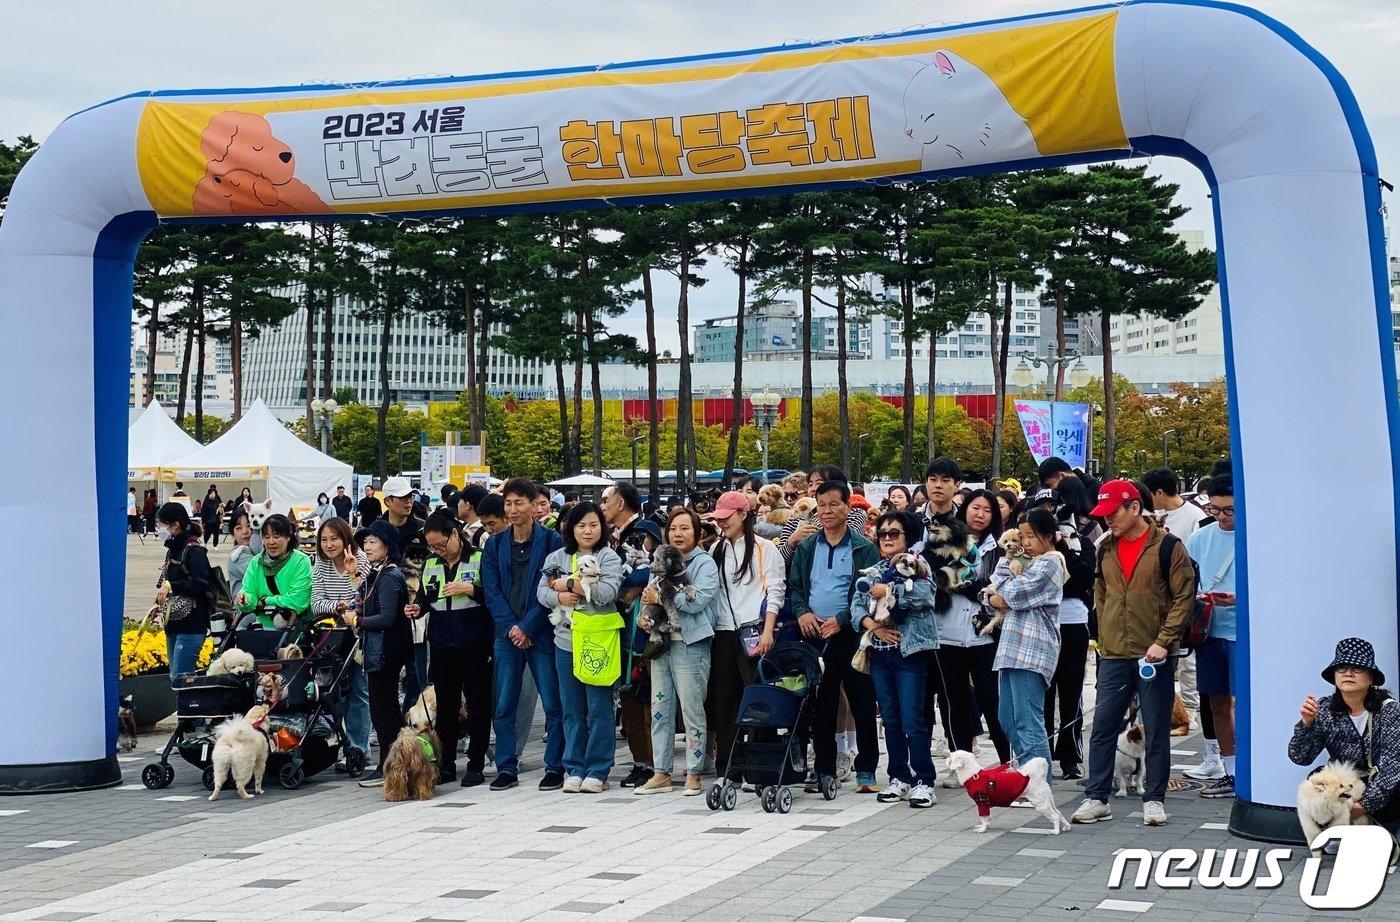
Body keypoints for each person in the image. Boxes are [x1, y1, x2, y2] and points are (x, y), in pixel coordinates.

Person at [1071, 480, 1197, 828]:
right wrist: (1101, 635)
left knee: (1156, 728)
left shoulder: (1169, 547)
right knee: (1102, 726)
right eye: (1104, 514)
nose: (1108, 519)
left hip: (1154, 653)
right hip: (1112, 651)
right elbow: (1101, 593)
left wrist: (1164, 640)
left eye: (1113, 513)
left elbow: (1183, 598)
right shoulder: (1104, 547)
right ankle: (1097, 796)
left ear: (1134, 508)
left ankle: (1154, 799)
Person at [786, 479, 882, 794]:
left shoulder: (863, 548)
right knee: (821, 703)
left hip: (850, 634)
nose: (827, 512)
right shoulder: (807, 546)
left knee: (861, 701)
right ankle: (823, 768)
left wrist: (842, 620)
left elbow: (867, 594)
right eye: (821, 505)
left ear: (846, 507)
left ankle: (866, 768)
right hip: (814, 634)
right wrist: (802, 613)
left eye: (833, 505)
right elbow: (796, 586)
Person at [482, 478, 566, 792]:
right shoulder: (494, 544)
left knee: (553, 702)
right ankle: (506, 765)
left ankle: (555, 766)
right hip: (506, 635)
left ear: (533, 504)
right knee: (504, 703)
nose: (513, 509)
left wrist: (528, 627)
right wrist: (511, 628)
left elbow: (552, 588)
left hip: (541, 632)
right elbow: (491, 592)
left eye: (519, 503)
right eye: (508, 503)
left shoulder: (552, 541)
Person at [853, 510, 939, 807]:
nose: (886, 538)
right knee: (889, 719)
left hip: (910, 652)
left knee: (913, 718)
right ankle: (898, 776)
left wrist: (889, 590)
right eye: (882, 534)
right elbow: (856, 607)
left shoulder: (918, 564)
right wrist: (875, 627)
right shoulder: (873, 568)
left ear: (908, 537)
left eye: (894, 533)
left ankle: (924, 780)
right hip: (879, 654)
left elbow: (926, 597)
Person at [538, 502, 624, 793]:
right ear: (570, 529)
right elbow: (541, 592)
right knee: (571, 708)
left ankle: (598, 769)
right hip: (565, 641)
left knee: (599, 707)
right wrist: (558, 598)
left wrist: (567, 583)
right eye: (581, 525)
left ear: (602, 526)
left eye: (593, 524)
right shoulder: (556, 556)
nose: (587, 531)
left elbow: (606, 592)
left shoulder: (609, 557)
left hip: (598, 641)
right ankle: (573, 767)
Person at [635, 508, 721, 795]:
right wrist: (646, 614)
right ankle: (661, 771)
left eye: (685, 528)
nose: (678, 534)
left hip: (691, 644)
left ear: (697, 533)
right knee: (660, 708)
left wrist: (661, 596)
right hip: (661, 643)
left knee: (692, 708)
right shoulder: (660, 559)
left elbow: (697, 602)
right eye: (673, 529)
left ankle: (694, 772)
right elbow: (649, 596)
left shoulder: (705, 564)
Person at [409, 512, 492, 786]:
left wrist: (471, 589)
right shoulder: (431, 563)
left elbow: (495, 596)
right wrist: (417, 608)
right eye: (432, 547)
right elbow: (424, 596)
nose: (437, 551)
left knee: (478, 706)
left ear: (454, 534)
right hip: (442, 644)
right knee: (446, 708)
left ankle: (476, 765)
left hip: (475, 643)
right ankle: (445, 767)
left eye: (441, 545)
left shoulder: (480, 557)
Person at [708, 490, 786, 779]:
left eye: (727, 517)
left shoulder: (766, 549)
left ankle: (759, 764)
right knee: (724, 702)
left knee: (757, 700)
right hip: (723, 633)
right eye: (719, 518)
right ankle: (728, 766)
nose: (722, 523)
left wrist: (768, 630)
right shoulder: (716, 549)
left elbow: (775, 592)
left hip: (754, 631)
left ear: (744, 514)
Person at [985, 509, 1066, 781]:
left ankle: (1040, 781)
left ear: (1049, 535)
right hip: (1011, 647)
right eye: (1022, 536)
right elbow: (991, 588)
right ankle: (1026, 776)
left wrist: (996, 594)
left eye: (1031, 536)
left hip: (1033, 649)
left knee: (1027, 720)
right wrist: (993, 596)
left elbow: (1013, 592)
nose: (1025, 542)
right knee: (1007, 717)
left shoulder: (1052, 562)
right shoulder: (1027, 560)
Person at [936, 488, 1012, 777]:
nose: (980, 515)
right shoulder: (944, 542)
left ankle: (1007, 763)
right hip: (948, 632)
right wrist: (972, 587)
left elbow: (998, 588)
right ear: (964, 509)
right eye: (975, 508)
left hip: (985, 634)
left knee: (993, 702)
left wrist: (972, 588)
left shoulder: (1001, 547)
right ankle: (962, 767)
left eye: (988, 510)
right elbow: (940, 581)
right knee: (954, 703)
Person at [1290, 638, 1400, 829]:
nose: (1348, 673)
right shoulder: (1325, 709)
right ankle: (1332, 828)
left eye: (1358, 668)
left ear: (1371, 677)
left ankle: (1384, 827)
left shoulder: (1389, 710)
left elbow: (1393, 766)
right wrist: (1306, 724)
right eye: (1341, 668)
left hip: (1380, 791)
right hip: (1343, 789)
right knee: (1315, 778)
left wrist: (1364, 805)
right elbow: (1301, 757)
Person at [602, 482, 663, 788]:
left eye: (606, 500)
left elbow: (645, 573)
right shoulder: (618, 536)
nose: (603, 506)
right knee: (631, 694)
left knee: (643, 693)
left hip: (643, 626)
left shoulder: (641, 532)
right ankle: (643, 761)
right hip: (625, 623)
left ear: (622, 502)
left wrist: (622, 589)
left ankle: (652, 763)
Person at [344, 520, 411, 788]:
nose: (367, 547)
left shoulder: (390, 575)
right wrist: (353, 576)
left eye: (373, 542)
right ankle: (393, 763)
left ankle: (389, 765)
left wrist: (357, 622)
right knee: (385, 710)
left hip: (385, 653)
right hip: (378, 652)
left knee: (384, 712)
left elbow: (386, 617)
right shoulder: (378, 573)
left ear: (388, 545)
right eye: (365, 542)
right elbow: (364, 599)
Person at [1185, 475, 1239, 798]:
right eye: (1215, 509)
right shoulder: (1199, 538)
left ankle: (1249, 770)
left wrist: (1239, 598)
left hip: (1244, 632)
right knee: (1217, 701)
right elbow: (1186, 583)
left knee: (1245, 703)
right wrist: (1199, 598)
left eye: (1229, 510)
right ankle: (1229, 770)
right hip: (1209, 630)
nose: (1221, 516)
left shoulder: (1256, 536)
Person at [310, 518, 370, 772]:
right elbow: (315, 601)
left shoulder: (360, 559)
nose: (329, 544)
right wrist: (336, 606)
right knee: (337, 693)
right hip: (331, 637)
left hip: (358, 635)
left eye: (334, 538)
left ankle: (359, 749)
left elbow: (367, 594)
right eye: (324, 540)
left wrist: (350, 602)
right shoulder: (320, 564)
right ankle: (344, 746)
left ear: (346, 538)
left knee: (359, 692)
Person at [1043, 496, 1096, 780]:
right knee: (1043, 692)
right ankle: (1042, 755)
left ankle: (1070, 757)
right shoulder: (1033, 548)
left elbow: (1083, 579)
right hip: (1041, 624)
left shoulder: (1083, 544)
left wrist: (1063, 547)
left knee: (1071, 692)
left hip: (1074, 622)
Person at [153, 503, 211, 678]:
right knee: (175, 676)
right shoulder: (173, 550)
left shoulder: (194, 551)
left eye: (162, 524)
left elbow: (201, 584)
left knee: (182, 677)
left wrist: (173, 585)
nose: (159, 529)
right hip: (174, 622)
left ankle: (189, 705)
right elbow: (167, 583)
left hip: (192, 624)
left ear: (175, 525)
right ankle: (183, 705)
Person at [234, 513, 313, 631]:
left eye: (276, 537)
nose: (271, 542)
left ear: (288, 537)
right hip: (262, 629)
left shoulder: (300, 561)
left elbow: (298, 601)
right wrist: (245, 600)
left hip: (294, 629)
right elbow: (249, 592)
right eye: (266, 537)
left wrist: (266, 600)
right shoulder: (256, 562)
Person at [1142, 468, 1208, 539]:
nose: (1146, 499)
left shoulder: (1196, 517)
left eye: (1147, 495)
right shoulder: (1154, 514)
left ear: (1160, 493)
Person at [225, 508, 255, 601]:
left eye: (249, 526)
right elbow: (263, 575)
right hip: (250, 613)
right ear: (232, 533)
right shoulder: (237, 556)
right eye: (238, 528)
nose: (245, 531)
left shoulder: (254, 550)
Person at [456, 484, 489, 549]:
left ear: (468, 505)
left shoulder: (483, 535)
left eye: (460, 500)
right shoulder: (464, 530)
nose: (458, 504)